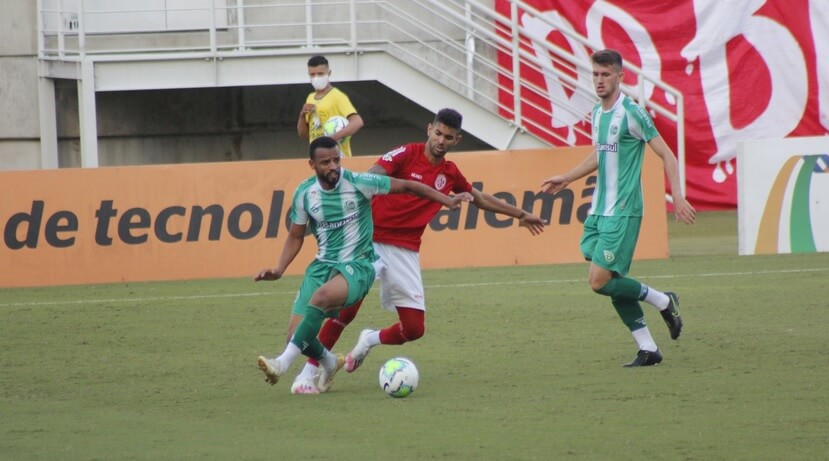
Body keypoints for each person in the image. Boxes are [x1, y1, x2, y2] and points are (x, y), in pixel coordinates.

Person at [287, 108, 547, 393]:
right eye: (438, 133)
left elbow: (480, 198)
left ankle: (369, 340)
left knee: (414, 329)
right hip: (369, 242)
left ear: (456, 140)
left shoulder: (449, 173)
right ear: (429, 129)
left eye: (448, 137)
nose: (441, 140)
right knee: (346, 311)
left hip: (406, 249)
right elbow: (372, 175)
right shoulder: (404, 154)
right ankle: (308, 372)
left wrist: (521, 214)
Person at [255, 136, 471, 392]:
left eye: (337, 159)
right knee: (295, 336)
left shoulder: (358, 182)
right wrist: (279, 269)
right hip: (322, 265)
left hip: (357, 265)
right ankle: (328, 361)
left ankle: (281, 363)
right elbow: (295, 235)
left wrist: (446, 200)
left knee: (322, 297)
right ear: (312, 164)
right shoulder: (304, 193)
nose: (333, 166)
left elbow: (409, 186)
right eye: (326, 162)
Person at [540, 49, 696, 367]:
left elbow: (668, 155)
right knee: (609, 280)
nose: (599, 80)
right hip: (599, 210)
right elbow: (599, 154)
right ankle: (648, 348)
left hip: (624, 209)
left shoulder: (633, 113)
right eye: (595, 74)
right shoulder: (598, 114)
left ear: (620, 77)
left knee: (598, 280)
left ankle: (665, 301)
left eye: (606, 74)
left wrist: (677, 195)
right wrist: (567, 178)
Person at [297, 55, 364, 157]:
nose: (316, 78)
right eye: (312, 75)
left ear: (329, 73)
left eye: (320, 74)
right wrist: (302, 115)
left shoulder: (337, 96)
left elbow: (357, 122)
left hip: (338, 155)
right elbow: (305, 135)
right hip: (318, 157)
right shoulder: (310, 98)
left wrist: (332, 138)